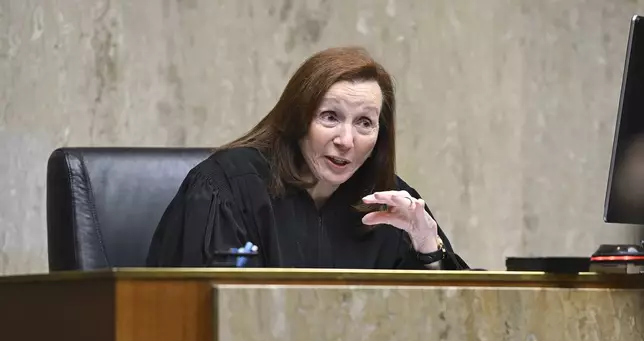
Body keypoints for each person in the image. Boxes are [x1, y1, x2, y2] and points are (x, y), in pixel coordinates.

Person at [146, 46, 470, 270]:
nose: (346, 141)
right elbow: (193, 314)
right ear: (298, 119)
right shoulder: (225, 188)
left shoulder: (395, 207)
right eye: (330, 117)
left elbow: (446, 334)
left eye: (365, 123)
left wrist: (428, 247)